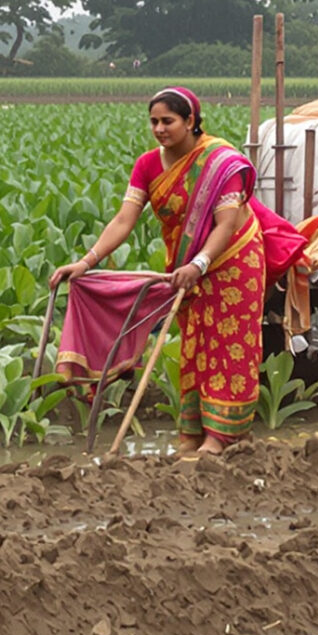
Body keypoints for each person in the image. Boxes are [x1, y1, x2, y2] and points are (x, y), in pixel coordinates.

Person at [48, 86, 265, 454]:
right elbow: (124, 219)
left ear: (191, 121)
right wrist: (86, 262)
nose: (159, 129)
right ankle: (193, 433)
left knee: (228, 343)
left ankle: (221, 436)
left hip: (232, 259)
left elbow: (226, 224)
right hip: (185, 264)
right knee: (194, 343)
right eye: (154, 122)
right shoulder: (148, 165)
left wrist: (199, 264)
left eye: (168, 121)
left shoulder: (220, 162)